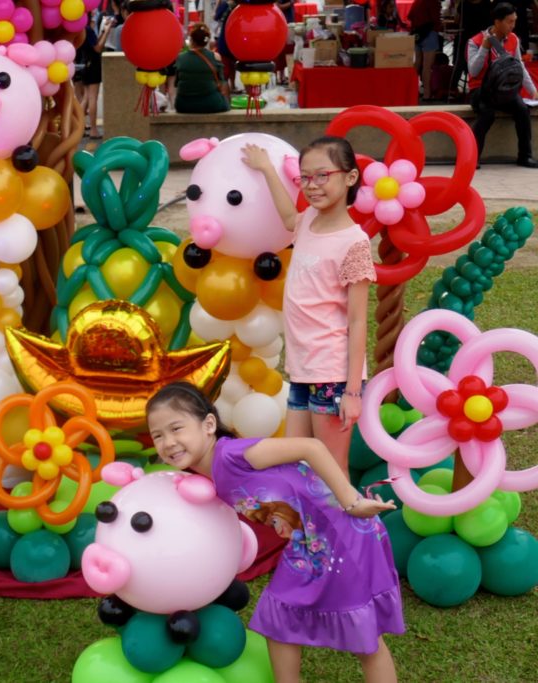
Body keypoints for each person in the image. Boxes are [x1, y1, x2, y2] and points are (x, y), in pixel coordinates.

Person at [146, 382, 403, 683]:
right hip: (308, 544)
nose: (168, 442)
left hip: (342, 533)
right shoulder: (206, 477)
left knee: (364, 639)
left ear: (209, 424)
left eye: (176, 428)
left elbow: (312, 447)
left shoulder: (232, 454)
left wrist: (352, 501)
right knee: (277, 618)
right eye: (158, 436)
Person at [242, 136, 375, 477]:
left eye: (322, 175)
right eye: (306, 178)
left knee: (331, 469)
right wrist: (267, 169)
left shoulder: (354, 243)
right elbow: (288, 217)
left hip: (331, 374)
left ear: (350, 177)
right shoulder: (307, 222)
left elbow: (358, 322)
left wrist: (353, 391)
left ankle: (345, 530)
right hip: (303, 370)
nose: (312, 186)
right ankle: (307, 529)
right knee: (294, 465)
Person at [468, 3, 538, 166]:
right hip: (480, 89)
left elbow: (519, 66)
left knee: (522, 109)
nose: (513, 25)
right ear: (497, 22)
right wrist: (484, 48)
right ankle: (472, 157)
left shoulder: (513, 39)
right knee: (487, 113)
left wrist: (533, 90)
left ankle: (525, 156)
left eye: (514, 21)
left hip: (503, 90)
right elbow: (473, 71)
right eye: (509, 21)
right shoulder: (475, 41)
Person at [174, 23, 230, 113]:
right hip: (212, 103)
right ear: (206, 41)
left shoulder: (181, 58)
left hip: (184, 105)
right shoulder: (216, 57)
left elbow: (176, 83)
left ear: (192, 40)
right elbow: (222, 80)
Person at [74, 13, 114, 139]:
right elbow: (98, 48)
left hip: (86, 64)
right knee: (92, 98)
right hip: (93, 65)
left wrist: (103, 30)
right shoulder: (88, 30)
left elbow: (95, 43)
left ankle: (79, 127)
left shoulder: (81, 30)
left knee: (86, 97)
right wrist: (107, 31)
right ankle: (93, 129)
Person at [452, 0, 494, 98]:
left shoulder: (463, 4)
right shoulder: (487, 4)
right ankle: (482, 85)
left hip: (466, 37)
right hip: (481, 38)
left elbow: (456, 20)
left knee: (459, 63)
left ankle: (453, 87)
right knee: (484, 61)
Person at [409, 0, 443, 99]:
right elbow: (436, 19)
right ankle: (427, 93)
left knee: (417, 63)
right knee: (427, 66)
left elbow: (410, 16)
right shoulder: (433, 2)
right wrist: (438, 28)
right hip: (429, 35)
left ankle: (412, 89)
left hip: (417, 34)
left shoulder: (416, 2)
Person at [214, 0, 238, 93]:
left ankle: (230, 86)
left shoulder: (227, 4)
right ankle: (229, 87)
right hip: (231, 38)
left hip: (228, 37)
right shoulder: (229, 5)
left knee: (229, 66)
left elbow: (216, 16)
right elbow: (216, 17)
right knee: (229, 66)